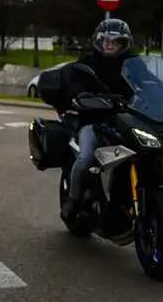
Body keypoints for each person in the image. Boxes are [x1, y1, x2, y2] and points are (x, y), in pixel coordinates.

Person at [59, 18, 139, 222]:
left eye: (115, 41)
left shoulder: (134, 63)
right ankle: (73, 200)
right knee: (86, 157)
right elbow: (74, 83)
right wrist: (81, 96)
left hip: (127, 120)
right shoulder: (88, 62)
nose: (109, 45)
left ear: (124, 43)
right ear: (99, 41)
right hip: (94, 121)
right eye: (106, 41)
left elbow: (152, 82)